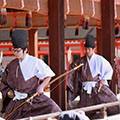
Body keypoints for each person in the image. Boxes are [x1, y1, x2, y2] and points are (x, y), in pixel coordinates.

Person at [0, 30, 61, 120]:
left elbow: (49, 75)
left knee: (53, 110)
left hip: (34, 98)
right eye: (14, 50)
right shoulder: (12, 65)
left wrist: (41, 86)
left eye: (18, 50)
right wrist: (10, 92)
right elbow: (4, 82)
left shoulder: (35, 62)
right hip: (17, 100)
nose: (15, 53)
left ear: (25, 50)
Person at [67, 35, 119, 116]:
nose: (87, 51)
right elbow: (73, 67)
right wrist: (72, 69)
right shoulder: (81, 61)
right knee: (85, 110)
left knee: (112, 101)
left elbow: (109, 70)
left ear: (94, 49)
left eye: (89, 49)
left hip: (97, 86)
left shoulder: (99, 59)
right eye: (86, 49)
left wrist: (104, 79)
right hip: (85, 89)